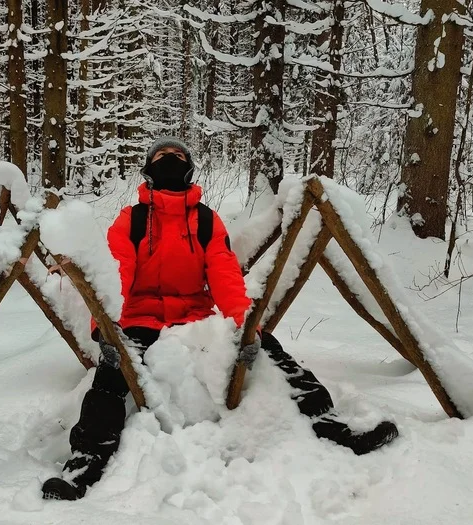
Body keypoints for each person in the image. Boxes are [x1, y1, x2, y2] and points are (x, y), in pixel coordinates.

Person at [42, 137, 398, 501]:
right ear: (149, 169)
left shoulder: (206, 221)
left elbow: (226, 278)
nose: (171, 160)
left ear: (189, 169)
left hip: (196, 319)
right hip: (140, 317)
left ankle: (330, 425)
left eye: (179, 156)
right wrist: (105, 328)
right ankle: (84, 466)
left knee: (272, 353)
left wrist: (249, 329)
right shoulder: (130, 220)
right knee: (109, 378)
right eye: (163, 157)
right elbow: (117, 273)